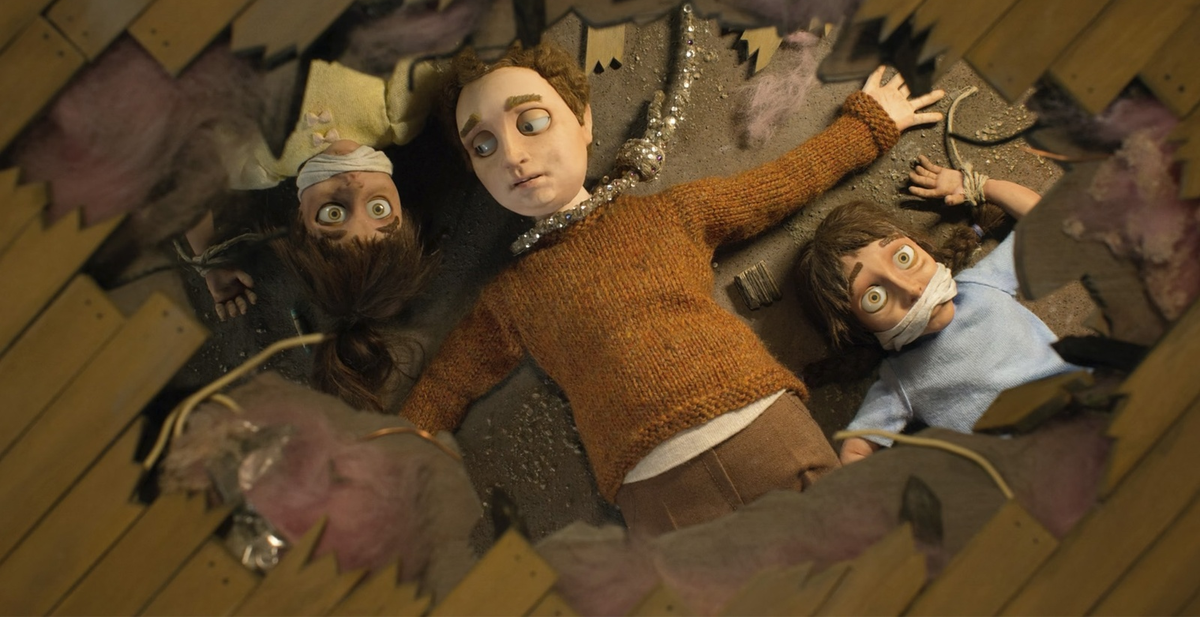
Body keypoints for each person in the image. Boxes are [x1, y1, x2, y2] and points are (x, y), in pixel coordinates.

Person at [399, 41, 944, 537]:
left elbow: (781, 184)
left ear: (583, 119)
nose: (512, 155)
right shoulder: (510, 298)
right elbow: (449, 381)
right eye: (483, 145)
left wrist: (867, 127)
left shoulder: (672, 214)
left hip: (765, 427)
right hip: (656, 493)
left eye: (532, 121)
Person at [182, 60, 437, 411]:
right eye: (379, 209)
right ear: (402, 211)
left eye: (333, 214)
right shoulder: (398, 115)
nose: (354, 185)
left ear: (300, 221)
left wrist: (209, 258)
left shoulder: (260, 162)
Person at [795, 155, 1082, 466]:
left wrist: (978, 185)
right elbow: (856, 450)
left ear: (921, 246)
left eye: (903, 258)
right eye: (874, 297)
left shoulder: (980, 285)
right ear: (859, 326)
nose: (912, 290)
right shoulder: (900, 379)